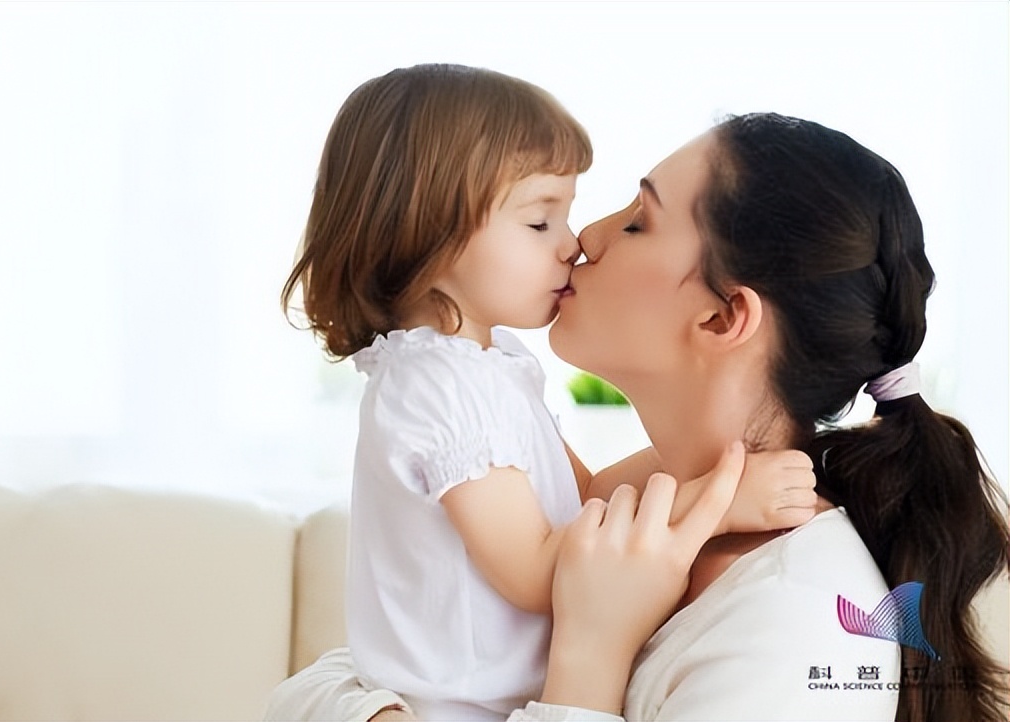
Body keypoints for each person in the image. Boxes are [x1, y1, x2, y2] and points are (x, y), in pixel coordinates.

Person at [268, 112, 1010, 722]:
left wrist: (591, 650)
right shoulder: (613, 500)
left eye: (637, 223)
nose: (585, 238)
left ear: (723, 317)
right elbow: (344, 677)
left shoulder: (799, 618)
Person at [279, 65, 817, 722]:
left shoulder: (491, 364)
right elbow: (537, 574)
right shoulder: (437, 386)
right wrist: (717, 501)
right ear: (428, 233)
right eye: (539, 222)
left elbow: (584, 497)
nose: (573, 243)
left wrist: (714, 455)